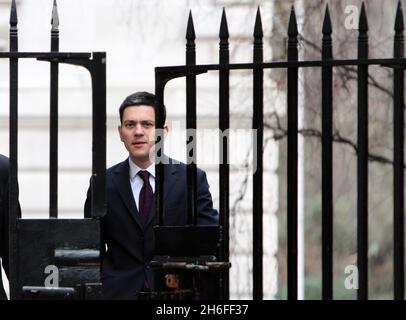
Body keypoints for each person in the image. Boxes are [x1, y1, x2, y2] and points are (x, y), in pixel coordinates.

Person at [84, 91, 218, 300]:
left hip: (174, 295)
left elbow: (209, 242)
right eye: (130, 125)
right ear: (120, 132)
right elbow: (91, 247)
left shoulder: (191, 179)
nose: (138, 132)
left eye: (147, 124)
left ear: (163, 131)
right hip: (118, 294)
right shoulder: (102, 183)